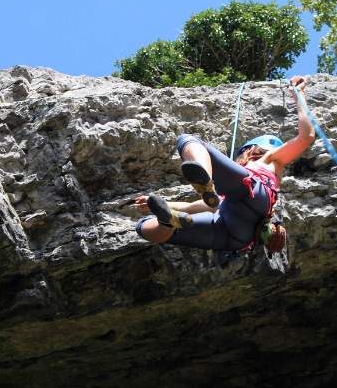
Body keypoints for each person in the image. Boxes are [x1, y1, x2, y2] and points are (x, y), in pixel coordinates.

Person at [133, 75, 315, 254]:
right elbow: (195, 207)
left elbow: (306, 137)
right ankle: (167, 222)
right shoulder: (229, 196)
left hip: (245, 204)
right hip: (239, 234)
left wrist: (298, 93)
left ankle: (206, 177)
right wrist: (161, 203)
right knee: (146, 225)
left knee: (186, 140)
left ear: (253, 149)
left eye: (245, 151)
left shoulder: (270, 159)